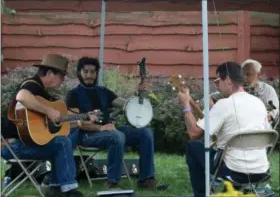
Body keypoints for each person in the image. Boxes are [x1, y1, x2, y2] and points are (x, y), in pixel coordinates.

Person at [65, 57, 168, 190]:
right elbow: (74, 121)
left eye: (93, 72)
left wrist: (138, 93)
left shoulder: (103, 92)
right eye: (86, 72)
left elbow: (127, 105)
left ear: (97, 73)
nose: (89, 76)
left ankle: (146, 179)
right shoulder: (73, 95)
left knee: (145, 133)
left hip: (109, 130)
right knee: (117, 136)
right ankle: (113, 182)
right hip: (86, 134)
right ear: (79, 72)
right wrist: (100, 128)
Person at [1, 54, 95, 197]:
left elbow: (59, 120)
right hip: (12, 147)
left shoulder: (44, 95)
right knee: (62, 143)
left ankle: (56, 188)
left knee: (61, 139)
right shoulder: (32, 84)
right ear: (50, 73)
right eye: (61, 76)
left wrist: (82, 119)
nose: (63, 81)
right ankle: (67, 189)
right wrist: (49, 110)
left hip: (24, 145)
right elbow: (22, 96)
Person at [178, 62, 271, 197]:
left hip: (234, 171)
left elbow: (194, 133)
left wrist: (186, 104)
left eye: (218, 81)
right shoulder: (259, 103)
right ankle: (234, 191)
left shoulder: (224, 104)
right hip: (261, 170)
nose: (217, 85)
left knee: (193, 147)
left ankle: (202, 195)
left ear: (227, 80)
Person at [241, 59, 279, 127]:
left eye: (248, 74)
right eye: (243, 74)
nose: (244, 78)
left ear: (258, 75)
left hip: (262, 130)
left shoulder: (268, 90)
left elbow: (273, 111)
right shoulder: (238, 89)